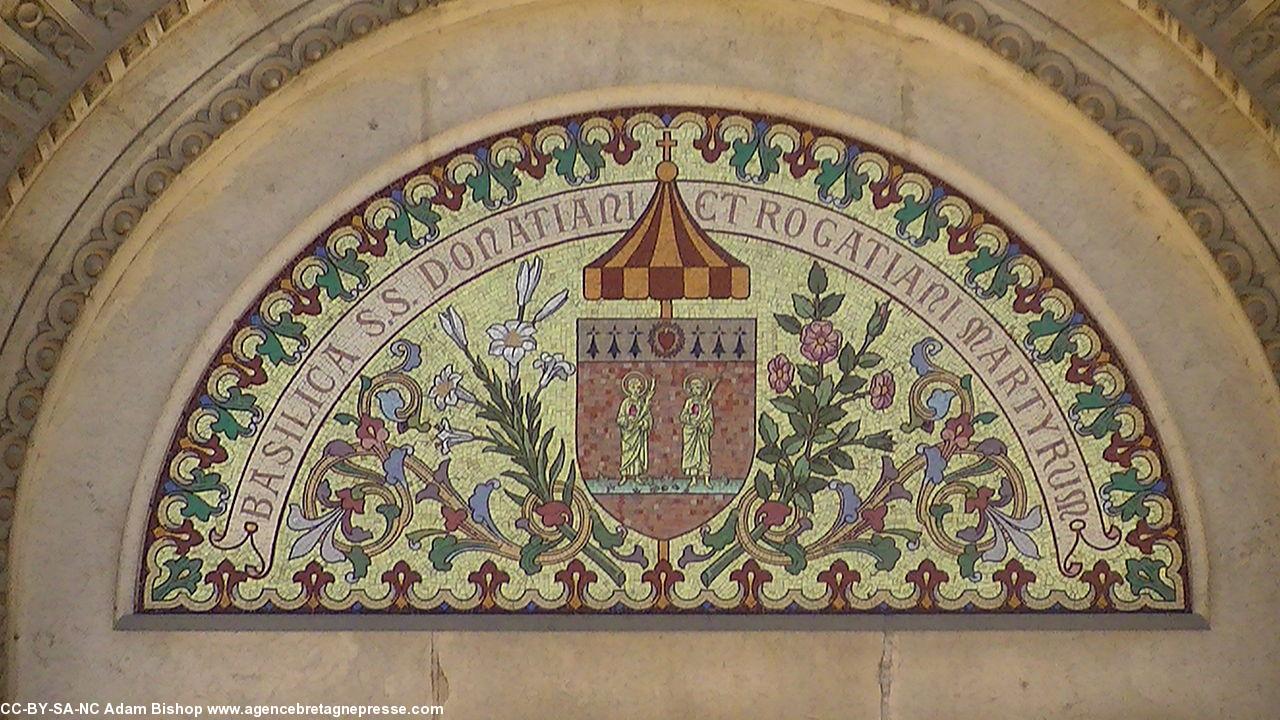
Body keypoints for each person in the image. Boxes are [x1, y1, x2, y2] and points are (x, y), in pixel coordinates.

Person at [679, 373, 719, 485]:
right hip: (691, 432)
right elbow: (683, 416)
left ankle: (706, 479)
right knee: (692, 455)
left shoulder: (706, 404)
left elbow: (710, 419)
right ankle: (693, 479)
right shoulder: (689, 402)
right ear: (691, 389)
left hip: (701, 434)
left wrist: (704, 425)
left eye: (700, 388)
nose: (698, 390)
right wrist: (690, 419)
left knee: (704, 454)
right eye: (696, 388)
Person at [616, 371, 655, 484]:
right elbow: (620, 418)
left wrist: (643, 423)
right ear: (629, 389)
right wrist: (628, 421)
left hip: (637, 433)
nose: (636, 390)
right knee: (626, 454)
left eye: (638, 388)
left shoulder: (642, 403)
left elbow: (647, 417)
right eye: (634, 388)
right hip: (628, 434)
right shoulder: (626, 403)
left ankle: (637, 475)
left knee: (637, 455)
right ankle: (624, 475)